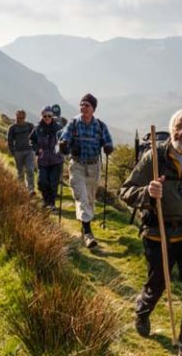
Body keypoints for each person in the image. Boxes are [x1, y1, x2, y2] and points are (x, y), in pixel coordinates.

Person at [119, 108, 182, 356]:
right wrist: (148, 194)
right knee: (158, 284)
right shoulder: (154, 157)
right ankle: (143, 310)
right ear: (172, 129)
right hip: (158, 234)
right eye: (178, 127)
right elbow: (126, 191)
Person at [59, 93, 113, 248]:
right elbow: (64, 139)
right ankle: (89, 234)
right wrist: (64, 144)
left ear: (93, 109)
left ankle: (84, 226)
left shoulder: (100, 126)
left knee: (89, 199)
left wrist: (108, 148)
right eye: (81, 104)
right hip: (77, 165)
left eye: (87, 105)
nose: (83, 107)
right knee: (81, 197)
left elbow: (108, 142)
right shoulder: (73, 123)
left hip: (94, 167)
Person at [30, 105, 64, 210]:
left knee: (53, 183)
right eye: (45, 116)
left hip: (56, 159)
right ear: (42, 116)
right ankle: (46, 200)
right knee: (42, 182)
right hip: (43, 159)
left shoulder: (58, 128)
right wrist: (36, 150)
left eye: (49, 116)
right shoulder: (37, 128)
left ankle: (51, 203)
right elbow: (32, 141)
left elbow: (65, 140)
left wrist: (63, 147)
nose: (47, 118)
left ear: (52, 116)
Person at [8, 109, 36, 195]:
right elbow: (9, 140)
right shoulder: (12, 128)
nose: (19, 119)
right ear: (15, 116)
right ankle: (22, 190)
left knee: (30, 170)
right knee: (20, 172)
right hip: (18, 152)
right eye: (18, 117)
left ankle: (31, 189)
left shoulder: (30, 126)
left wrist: (34, 148)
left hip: (29, 151)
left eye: (21, 117)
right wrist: (13, 151)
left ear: (24, 117)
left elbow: (35, 137)